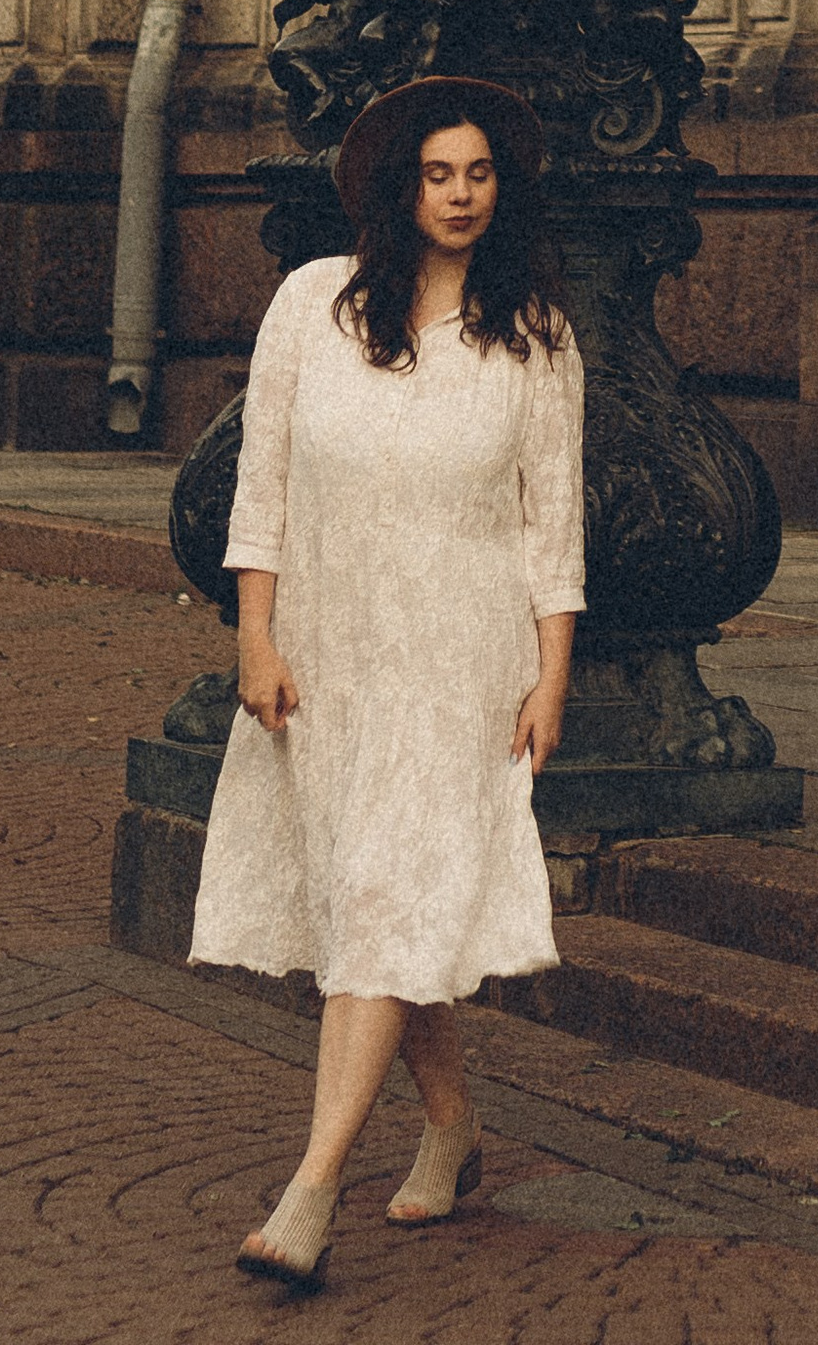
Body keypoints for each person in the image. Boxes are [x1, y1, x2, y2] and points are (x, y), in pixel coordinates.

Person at [190, 74, 585, 1288]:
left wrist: (550, 679)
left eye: (478, 174)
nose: (461, 196)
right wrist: (254, 638)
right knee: (377, 904)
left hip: (460, 663)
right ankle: (454, 1125)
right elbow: (262, 492)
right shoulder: (311, 305)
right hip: (330, 650)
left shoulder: (536, 335)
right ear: (397, 186)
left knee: (377, 900)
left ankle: (310, 1193)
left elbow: (551, 526)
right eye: (438, 174)